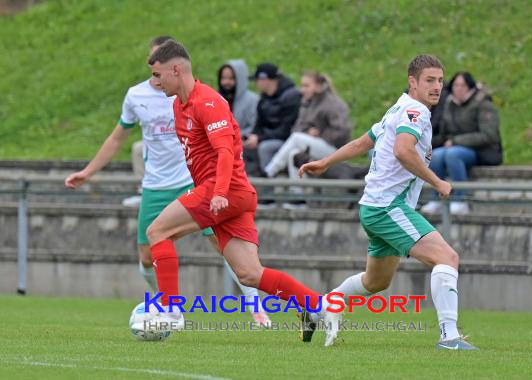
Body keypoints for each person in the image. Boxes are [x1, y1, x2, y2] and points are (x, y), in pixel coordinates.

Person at [143, 40, 343, 346]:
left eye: (158, 75)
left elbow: (225, 151)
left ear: (176, 69)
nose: (154, 82)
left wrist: (219, 192)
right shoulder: (178, 104)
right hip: (228, 193)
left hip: (224, 191)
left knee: (157, 231)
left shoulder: (208, 101)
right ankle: (317, 306)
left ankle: (170, 311)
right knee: (250, 274)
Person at [64, 36, 271, 326]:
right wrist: (89, 171)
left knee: (219, 242)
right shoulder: (136, 96)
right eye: (152, 67)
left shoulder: (189, 94)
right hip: (155, 185)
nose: (156, 74)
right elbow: (117, 137)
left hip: (191, 181)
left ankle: (253, 306)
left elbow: (220, 142)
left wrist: (220, 185)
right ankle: (165, 304)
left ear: (173, 67)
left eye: (159, 66)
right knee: (147, 256)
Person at [299, 55, 479, 350]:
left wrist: (324, 162)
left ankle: (316, 310)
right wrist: (438, 182)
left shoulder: (397, 109)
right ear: (413, 82)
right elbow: (403, 151)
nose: (437, 87)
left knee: (376, 282)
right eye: (429, 80)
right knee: (448, 259)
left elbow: (362, 143)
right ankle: (450, 337)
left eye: (440, 81)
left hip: (374, 207)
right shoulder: (415, 112)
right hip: (388, 207)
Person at [421, 72, 502, 215]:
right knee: (435, 155)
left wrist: (457, 141)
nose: (458, 89)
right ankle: (437, 198)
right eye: (456, 85)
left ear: (470, 87)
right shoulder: (450, 104)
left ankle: (460, 199)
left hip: (480, 150)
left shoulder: (483, 104)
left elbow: (489, 135)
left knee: (452, 155)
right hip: (453, 147)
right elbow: (444, 133)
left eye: (462, 85)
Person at [263, 71, 353, 180]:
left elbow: (342, 132)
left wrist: (320, 134)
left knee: (297, 139)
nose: (302, 90)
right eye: (301, 86)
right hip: (314, 145)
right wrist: (308, 132)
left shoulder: (333, 103)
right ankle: (297, 192)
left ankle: (269, 171)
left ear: (318, 86)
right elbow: (296, 128)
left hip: (336, 150)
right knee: (294, 154)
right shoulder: (307, 103)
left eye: (306, 86)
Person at [244, 63, 301, 173]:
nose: (256, 83)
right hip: (269, 137)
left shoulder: (291, 96)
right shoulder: (264, 97)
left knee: (265, 148)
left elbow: (286, 130)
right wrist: (253, 136)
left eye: (257, 80)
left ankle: (269, 185)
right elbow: (259, 124)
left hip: (286, 140)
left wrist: (260, 139)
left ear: (265, 79)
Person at [217, 60, 260, 176]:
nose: (226, 82)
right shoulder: (216, 99)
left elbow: (254, 125)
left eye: (231, 78)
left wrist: (234, 136)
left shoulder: (253, 100)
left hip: (243, 143)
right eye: (223, 78)